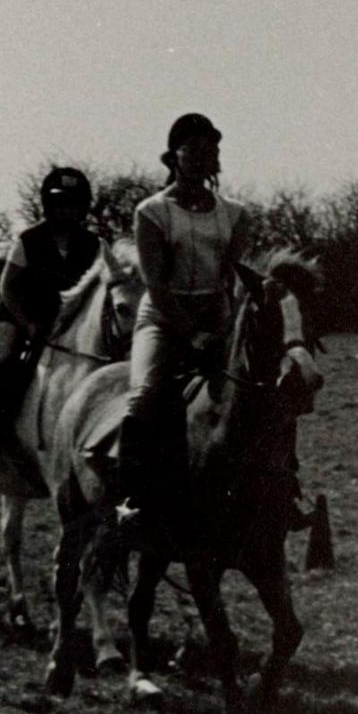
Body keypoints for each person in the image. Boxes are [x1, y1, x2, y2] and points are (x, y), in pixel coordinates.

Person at [115, 113, 253, 529]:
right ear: (173, 157)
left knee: (256, 390)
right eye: (191, 151)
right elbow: (155, 284)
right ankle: (131, 497)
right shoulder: (151, 212)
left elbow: (230, 276)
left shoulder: (236, 214)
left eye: (209, 152)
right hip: (163, 318)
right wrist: (189, 334)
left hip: (216, 314)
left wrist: (222, 325)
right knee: (145, 397)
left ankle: (272, 489)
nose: (199, 159)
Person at [0, 166, 102, 466]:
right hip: (17, 317)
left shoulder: (94, 245)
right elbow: (7, 288)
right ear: (49, 204)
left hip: (66, 322)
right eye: (61, 203)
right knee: (10, 362)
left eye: (74, 204)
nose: (67, 210)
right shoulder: (29, 239)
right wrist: (29, 323)